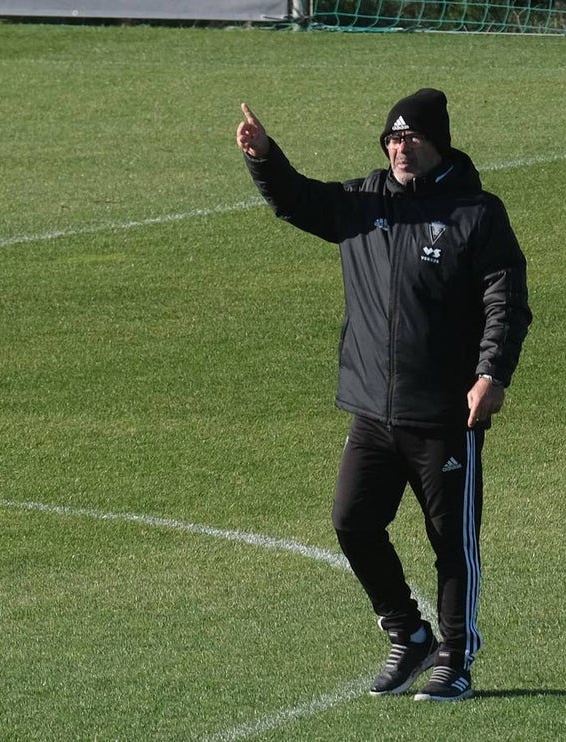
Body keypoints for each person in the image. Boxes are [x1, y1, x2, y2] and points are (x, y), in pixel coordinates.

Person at [236, 89, 531, 702]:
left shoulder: (476, 213)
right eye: (392, 140)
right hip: (372, 407)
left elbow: (506, 302)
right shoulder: (364, 202)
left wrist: (491, 375)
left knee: (451, 541)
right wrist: (264, 157)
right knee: (352, 521)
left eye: (411, 139)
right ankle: (407, 632)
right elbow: (299, 200)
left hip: (446, 412)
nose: (400, 149)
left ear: (437, 143)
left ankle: (456, 654)